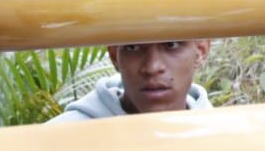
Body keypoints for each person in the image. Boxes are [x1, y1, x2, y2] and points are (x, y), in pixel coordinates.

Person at [49, 41, 213, 122]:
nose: (152, 67)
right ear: (114, 55)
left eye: (171, 45)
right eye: (133, 47)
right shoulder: (62, 138)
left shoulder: (223, 135)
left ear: (201, 50)